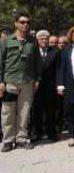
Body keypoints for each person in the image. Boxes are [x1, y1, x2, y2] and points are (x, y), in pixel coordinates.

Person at [0, 12, 41, 152]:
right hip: (10, 81)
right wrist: (1, 82)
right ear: (16, 23)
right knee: (8, 111)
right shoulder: (6, 41)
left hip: (28, 81)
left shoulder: (32, 41)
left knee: (24, 112)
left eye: (27, 22)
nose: (25, 24)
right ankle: (8, 140)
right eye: (22, 22)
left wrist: (37, 79)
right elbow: (0, 62)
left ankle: (22, 139)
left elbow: (37, 62)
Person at [31, 30, 60, 142]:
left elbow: (58, 69)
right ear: (37, 41)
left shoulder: (55, 52)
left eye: (46, 39)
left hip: (50, 86)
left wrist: (58, 85)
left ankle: (51, 133)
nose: (44, 41)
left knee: (50, 111)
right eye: (41, 39)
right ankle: (37, 133)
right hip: (36, 86)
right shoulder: (33, 52)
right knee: (36, 110)